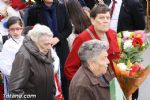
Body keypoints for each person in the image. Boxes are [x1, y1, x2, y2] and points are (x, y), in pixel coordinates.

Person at [25, 0, 72, 99]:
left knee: (64, 77)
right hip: (42, 48)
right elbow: (29, 30)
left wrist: (57, 38)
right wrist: (44, 40)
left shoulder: (61, 7)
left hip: (61, 47)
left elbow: (68, 28)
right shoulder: (34, 10)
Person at [64, 3, 120, 81]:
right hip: (94, 86)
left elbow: (118, 59)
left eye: (108, 18)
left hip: (114, 82)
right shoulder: (82, 38)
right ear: (92, 20)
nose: (106, 21)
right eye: (101, 18)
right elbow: (70, 68)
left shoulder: (113, 34)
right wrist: (82, 85)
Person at [9, 24, 56, 100]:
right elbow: (15, 91)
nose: (49, 47)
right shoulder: (23, 56)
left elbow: (51, 83)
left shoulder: (45, 50)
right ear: (35, 42)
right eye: (46, 44)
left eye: (51, 44)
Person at [0, 16, 24, 100]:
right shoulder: (7, 45)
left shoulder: (27, 41)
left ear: (22, 28)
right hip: (13, 78)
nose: (15, 32)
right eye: (12, 29)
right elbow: (3, 64)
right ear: (8, 30)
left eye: (18, 29)